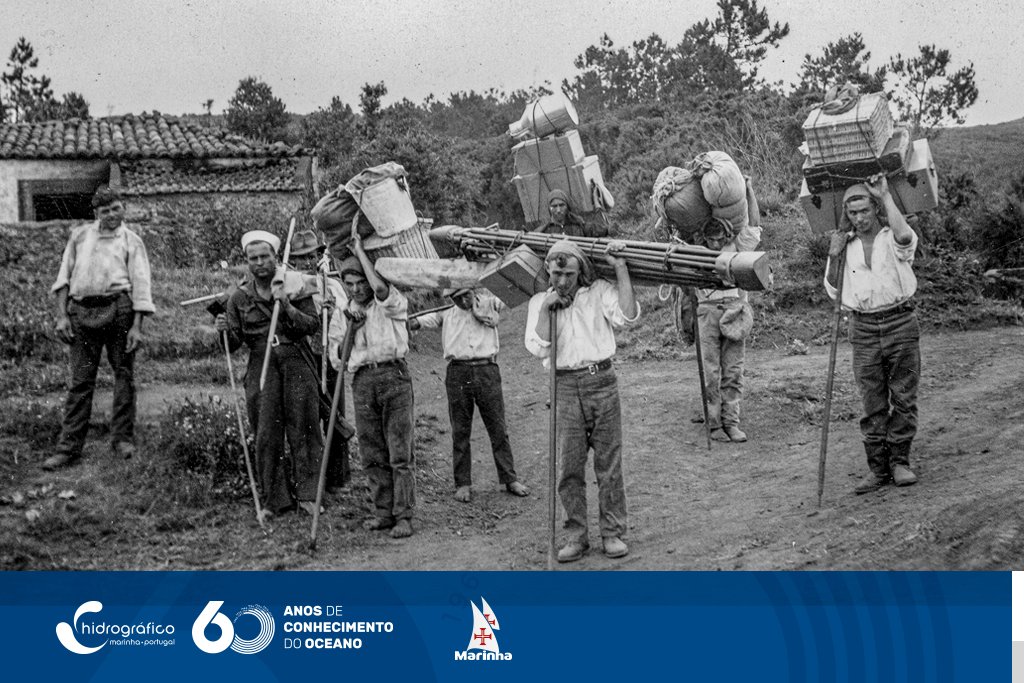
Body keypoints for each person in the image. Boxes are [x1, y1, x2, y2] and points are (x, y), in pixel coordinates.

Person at [525, 239, 639, 562]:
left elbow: (628, 316)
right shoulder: (540, 301)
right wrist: (547, 309)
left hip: (602, 382)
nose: (563, 281)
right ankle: (576, 536)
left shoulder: (598, 292)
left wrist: (620, 268)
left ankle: (613, 532)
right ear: (548, 270)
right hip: (564, 386)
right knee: (569, 467)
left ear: (581, 272)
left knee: (609, 462)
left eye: (570, 275)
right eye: (556, 274)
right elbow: (538, 347)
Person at [45, 186, 154, 470]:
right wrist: (61, 316)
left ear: (123, 208)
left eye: (116, 208)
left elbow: (141, 284)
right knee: (80, 381)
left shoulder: (132, 241)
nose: (112, 215)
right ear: (96, 213)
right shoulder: (80, 236)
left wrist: (137, 327)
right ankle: (68, 448)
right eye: (105, 211)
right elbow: (63, 278)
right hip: (81, 313)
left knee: (124, 375)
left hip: (119, 311)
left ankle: (122, 440)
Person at [216, 230, 323, 517]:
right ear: (247, 261)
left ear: (276, 257)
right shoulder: (238, 298)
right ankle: (275, 499)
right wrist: (223, 332)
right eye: (253, 258)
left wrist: (286, 305)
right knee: (266, 432)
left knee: (305, 427)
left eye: (265, 256)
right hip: (261, 365)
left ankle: (309, 495)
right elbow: (233, 344)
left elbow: (312, 325)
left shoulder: (296, 284)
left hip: (296, 361)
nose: (260, 262)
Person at [824, 176, 921, 494]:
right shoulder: (845, 244)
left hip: (900, 321)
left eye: (864, 210)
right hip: (863, 327)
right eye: (852, 213)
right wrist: (835, 254)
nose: (859, 218)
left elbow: (905, 238)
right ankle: (878, 469)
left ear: (875, 208)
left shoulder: (891, 235)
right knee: (872, 401)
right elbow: (833, 289)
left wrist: (885, 195)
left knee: (903, 396)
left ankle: (900, 462)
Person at [328, 232, 415, 539]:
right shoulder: (342, 314)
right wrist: (352, 327)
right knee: (372, 451)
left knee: (399, 451)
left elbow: (379, 288)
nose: (356, 289)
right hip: (363, 381)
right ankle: (383, 512)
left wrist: (359, 250)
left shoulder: (389, 300)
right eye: (349, 284)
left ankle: (404, 515)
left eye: (360, 282)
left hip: (394, 376)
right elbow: (338, 359)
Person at [410, 287, 529, 503]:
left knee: (498, 427)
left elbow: (514, 294)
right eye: (457, 297)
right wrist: (406, 321)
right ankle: (463, 483)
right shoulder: (446, 312)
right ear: (450, 298)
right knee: (460, 430)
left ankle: (510, 478)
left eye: (466, 295)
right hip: (458, 372)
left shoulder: (490, 303)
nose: (463, 301)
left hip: (487, 370)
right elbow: (419, 322)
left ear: (473, 290)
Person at [694, 177, 762, 443]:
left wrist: (749, 190)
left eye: (719, 239)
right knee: (710, 372)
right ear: (704, 238)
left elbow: (754, 226)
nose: (715, 244)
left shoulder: (736, 247)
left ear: (727, 236)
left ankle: (731, 422)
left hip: (734, 310)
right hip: (707, 312)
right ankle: (714, 424)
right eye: (710, 240)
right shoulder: (694, 253)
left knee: (733, 370)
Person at [290, 229, 351, 493]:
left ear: (318, 256)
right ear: (292, 260)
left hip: (330, 357)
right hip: (303, 359)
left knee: (336, 415)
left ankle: (338, 478)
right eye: (300, 257)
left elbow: (344, 322)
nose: (306, 262)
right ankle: (312, 481)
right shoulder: (290, 286)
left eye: (310, 256)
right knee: (309, 420)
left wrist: (332, 312)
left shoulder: (332, 285)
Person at [534, 189, 609, 238]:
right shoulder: (544, 231)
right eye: (554, 206)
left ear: (567, 207)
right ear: (549, 208)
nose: (558, 210)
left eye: (561, 205)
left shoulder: (579, 225)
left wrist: (597, 204)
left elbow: (603, 230)